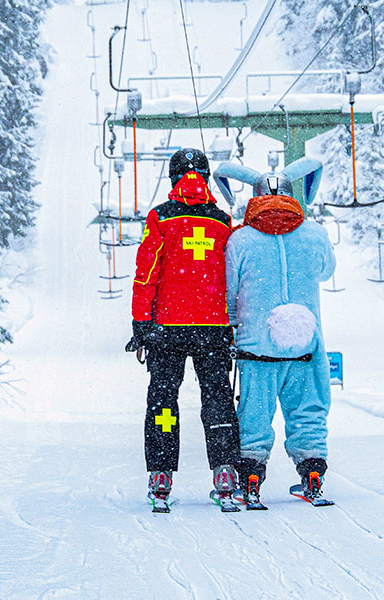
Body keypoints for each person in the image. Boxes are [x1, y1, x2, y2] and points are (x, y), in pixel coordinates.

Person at [126, 147, 241, 513]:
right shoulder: (223, 222)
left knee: (163, 402)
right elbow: (232, 278)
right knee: (218, 399)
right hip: (213, 328)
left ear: (173, 178)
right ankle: (225, 472)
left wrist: (141, 323)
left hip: (167, 330)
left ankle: (161, 474)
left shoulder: (161, 218)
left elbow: (147, 272)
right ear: (205, 178)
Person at [225, 170, 336, 506]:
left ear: (255, 196)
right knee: (308, 410)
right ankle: (312, 472)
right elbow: (327, 270)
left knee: (254, 414)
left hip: (256, 345)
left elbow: (229, 290)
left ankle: (252, 477)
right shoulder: (315, 234)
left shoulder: (240, 240)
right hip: (305, 342)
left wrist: (232, 328)